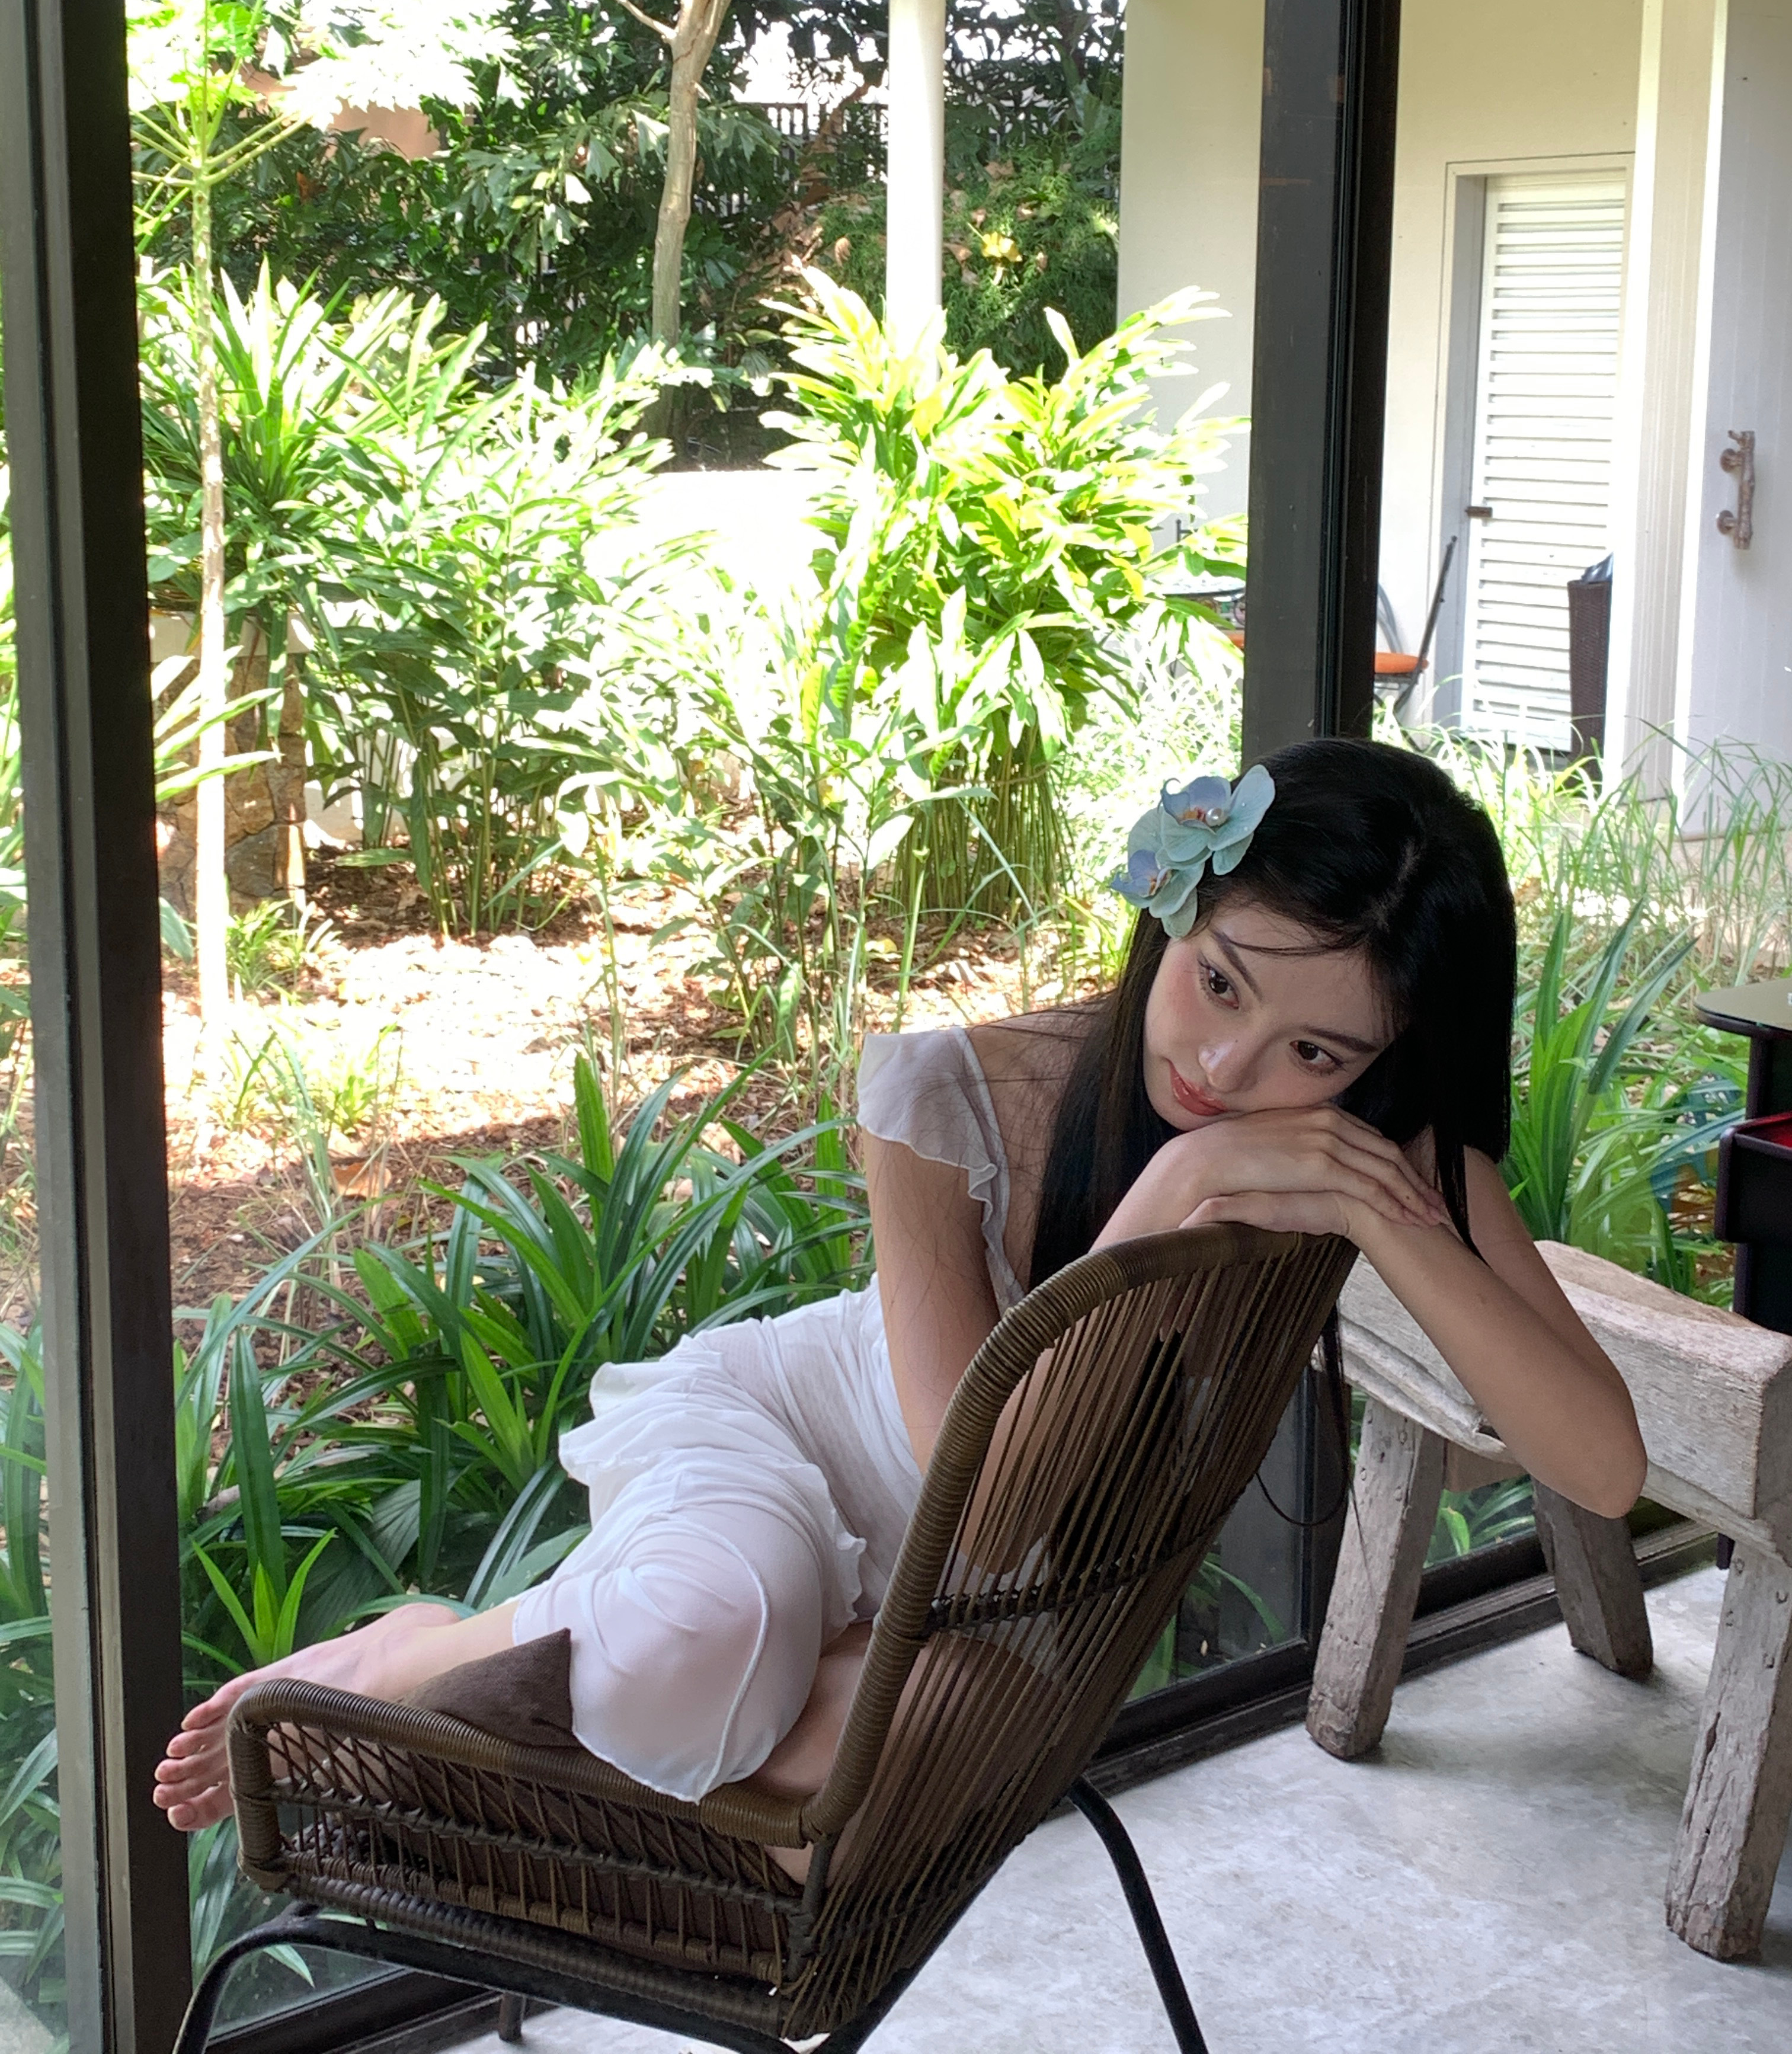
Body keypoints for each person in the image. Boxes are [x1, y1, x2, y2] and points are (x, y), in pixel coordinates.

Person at [154, 738, 1647, 1834]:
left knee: (838, 1769)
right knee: (696, 1643)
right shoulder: (952, 1092)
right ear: (1173, 914)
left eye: (1314, 1052)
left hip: (979, 1595)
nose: (1224, 1066)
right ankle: (421, 1649)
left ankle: (645, 1665)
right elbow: (969, 1485)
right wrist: (1174, 1191)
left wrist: (1395, 1217)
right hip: (798, 1440)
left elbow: (1601, 1463)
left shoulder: (1368, 1150)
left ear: (1383, 1064)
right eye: (1219, 982)